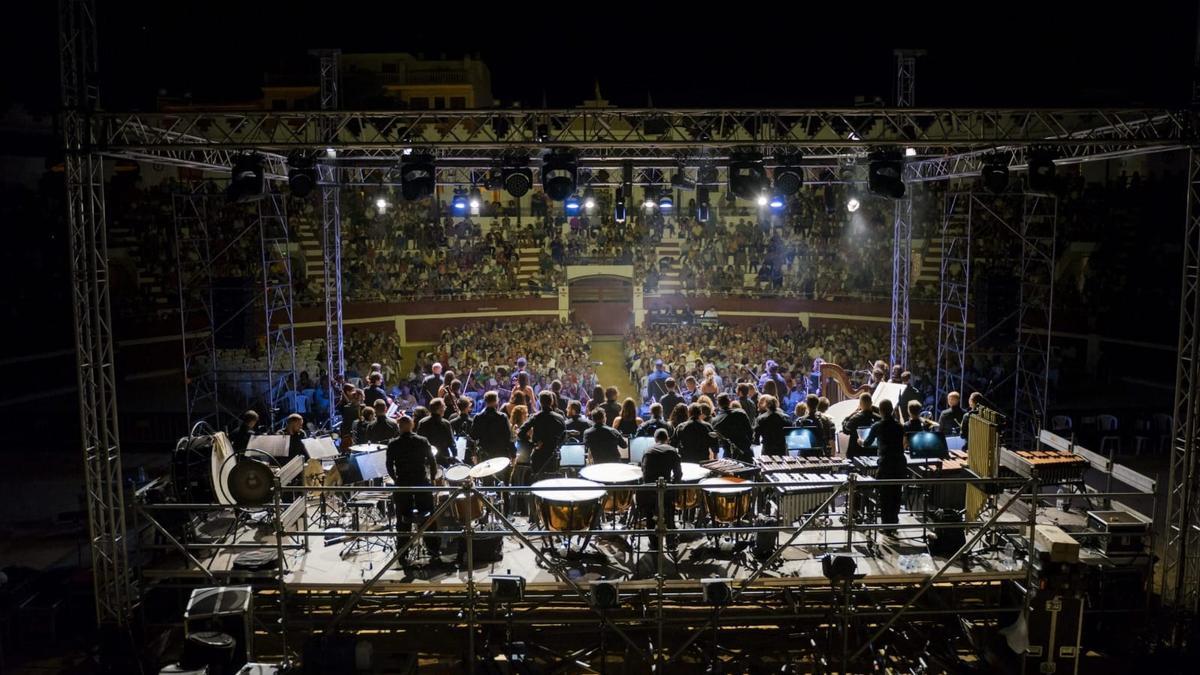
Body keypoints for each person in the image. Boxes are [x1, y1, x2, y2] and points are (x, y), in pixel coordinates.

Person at [386, 415, 440, 557]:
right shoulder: (422, 441)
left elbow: (389, 466)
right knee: (428, 517)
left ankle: (402, 551)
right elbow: (432, 462)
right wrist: (433, 479)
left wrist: (395, 479)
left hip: (403, 483)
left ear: (399, 426)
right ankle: (433, 549)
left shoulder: (393, 444)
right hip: (421, 482)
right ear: (412, 425)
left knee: (402, 518)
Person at [862, 399, 906, 533]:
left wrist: (860, 441)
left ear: (880, 411)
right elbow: (903, 443)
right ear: (892, 410)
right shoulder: (899, 426)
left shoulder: (877, 426)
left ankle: (887, 526)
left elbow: (867, 443)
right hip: (899, 463)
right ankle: (894, 523)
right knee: (896, 494)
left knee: (885, 495)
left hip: (886, 463)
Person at [639, 428, 683, 544]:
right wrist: (672, 485)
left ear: (655, 439)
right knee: (669, 509)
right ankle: (670, 540)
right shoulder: (672, 451)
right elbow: (678, 474)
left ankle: (653, 542)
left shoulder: (647, 451)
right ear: (667, 439)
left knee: (649, 512)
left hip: (648, 491)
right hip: (665, 491)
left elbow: (643, 472)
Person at [517, 391, 567, 474]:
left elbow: (520, 433)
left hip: (539, 454)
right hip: (553, 454)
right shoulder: (559, 418)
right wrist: (556, 445)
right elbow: (564, 436)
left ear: (540, 402)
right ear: (552, 401)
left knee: (537, 481)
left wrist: (532, 444)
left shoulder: (536, 417)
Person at [470, 391, 512, 461]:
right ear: (496, 401)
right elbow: (508, 436)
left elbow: (473, 435)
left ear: (485, 401)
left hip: (484, 453)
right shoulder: (502, 417)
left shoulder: (478, 417)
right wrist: (512, 453)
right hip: (500, 453)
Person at [713, 393, 754, 462]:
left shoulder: (716, 420)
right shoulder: (741, 413)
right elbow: (750, 431)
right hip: (745, 450)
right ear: (729, 401)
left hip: (728, 454)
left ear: (718, 404)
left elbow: (717, 440)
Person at [417, 398, 455, 466]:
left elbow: (419, 442)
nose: (445, 408)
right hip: (443, 458)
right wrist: (455, 455)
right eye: (444, 406)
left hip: (428, 458)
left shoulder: (422, 422)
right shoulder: (445, 423)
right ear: (439, 409)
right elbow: (451, 442)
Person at [842, 392, 881, 459]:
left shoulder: (855, 418)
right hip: (873, 453)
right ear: (871, 403)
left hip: (856, 453)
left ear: (860, 404)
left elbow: (845, 430)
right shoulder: (879, 418)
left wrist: (850, 416)